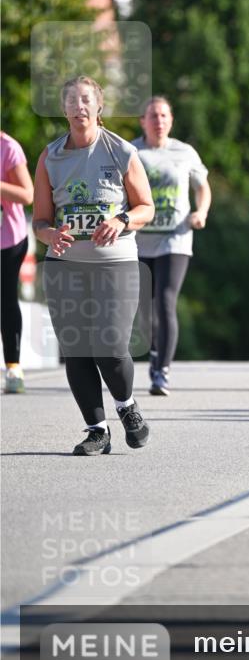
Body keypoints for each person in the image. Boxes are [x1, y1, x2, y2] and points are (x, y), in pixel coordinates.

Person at [32, 75, 154, 455]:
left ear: (99, 106)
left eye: (86, 99)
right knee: (77, 349)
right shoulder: (50, 157)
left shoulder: (120, 151)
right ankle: (97, 430)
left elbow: (146, 207)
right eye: (72, 100)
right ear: (64, 108)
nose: (79, 106)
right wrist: (50, 235)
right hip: (64, 266)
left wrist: (121, 220)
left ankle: (126, 405)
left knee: (109, 346)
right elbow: (39, 221)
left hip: (115, 264)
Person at [132, 96, 211, 395]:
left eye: (164, 115)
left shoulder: (184, 152)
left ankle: (161, 371)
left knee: (165, 301)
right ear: (143, 121)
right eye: (153, 116)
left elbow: (202, 187)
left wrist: (201, 211)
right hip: (139, 241)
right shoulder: (131, 151)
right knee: (144, 313)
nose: (159, 121)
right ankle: (155, 352)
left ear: (171, 120)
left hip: (175, 238)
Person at [1, 131, 34, 393]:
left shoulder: (8, 147)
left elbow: (27, 194)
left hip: (7, 240)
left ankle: (13, 366)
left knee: (6, 300)